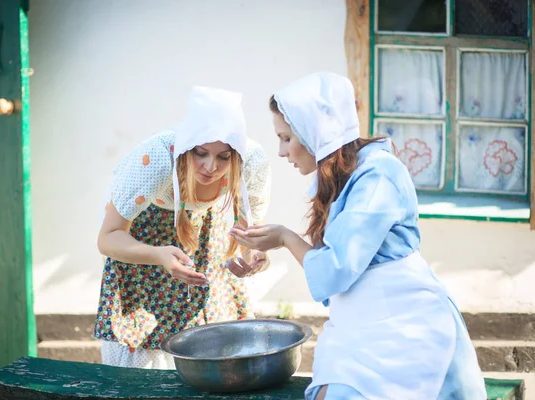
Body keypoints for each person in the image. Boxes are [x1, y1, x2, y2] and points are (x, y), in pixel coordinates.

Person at [230, 72, 486, 399]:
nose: (281, 152)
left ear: (314, 133)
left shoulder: (378, 175)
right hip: (361, 318)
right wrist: (270, 246)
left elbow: (336, 268)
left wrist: (285, 238)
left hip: (404, 321)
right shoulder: (342, 179)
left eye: (286, 138)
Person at [95, 86, 272, 369]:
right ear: (188, 145)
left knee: (214, 356)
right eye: (201, 153)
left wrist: (256, 257)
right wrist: (157, 255)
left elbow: (250, 232)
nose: (211, 167)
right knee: (144, 371)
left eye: (224, 157)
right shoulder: (158, 158)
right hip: (144, 248)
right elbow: (107, 239)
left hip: (204, 246)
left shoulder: (251, 161)